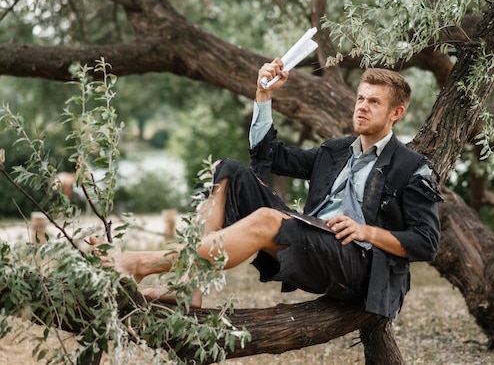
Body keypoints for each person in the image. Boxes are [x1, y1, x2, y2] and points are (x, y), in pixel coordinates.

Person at [90, 58, 442, 319]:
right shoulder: (335, 151)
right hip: (311, 237)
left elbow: (426, 242)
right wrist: (263, 95)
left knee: (266, 219)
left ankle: (137, 263)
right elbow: (268, 155)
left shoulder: (411, 167)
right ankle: (189, 290)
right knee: (226, 170)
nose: (362, 107)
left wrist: (366, 230)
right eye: (361, 99)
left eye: (374, 102)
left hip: (357, 264)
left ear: (397, 112)